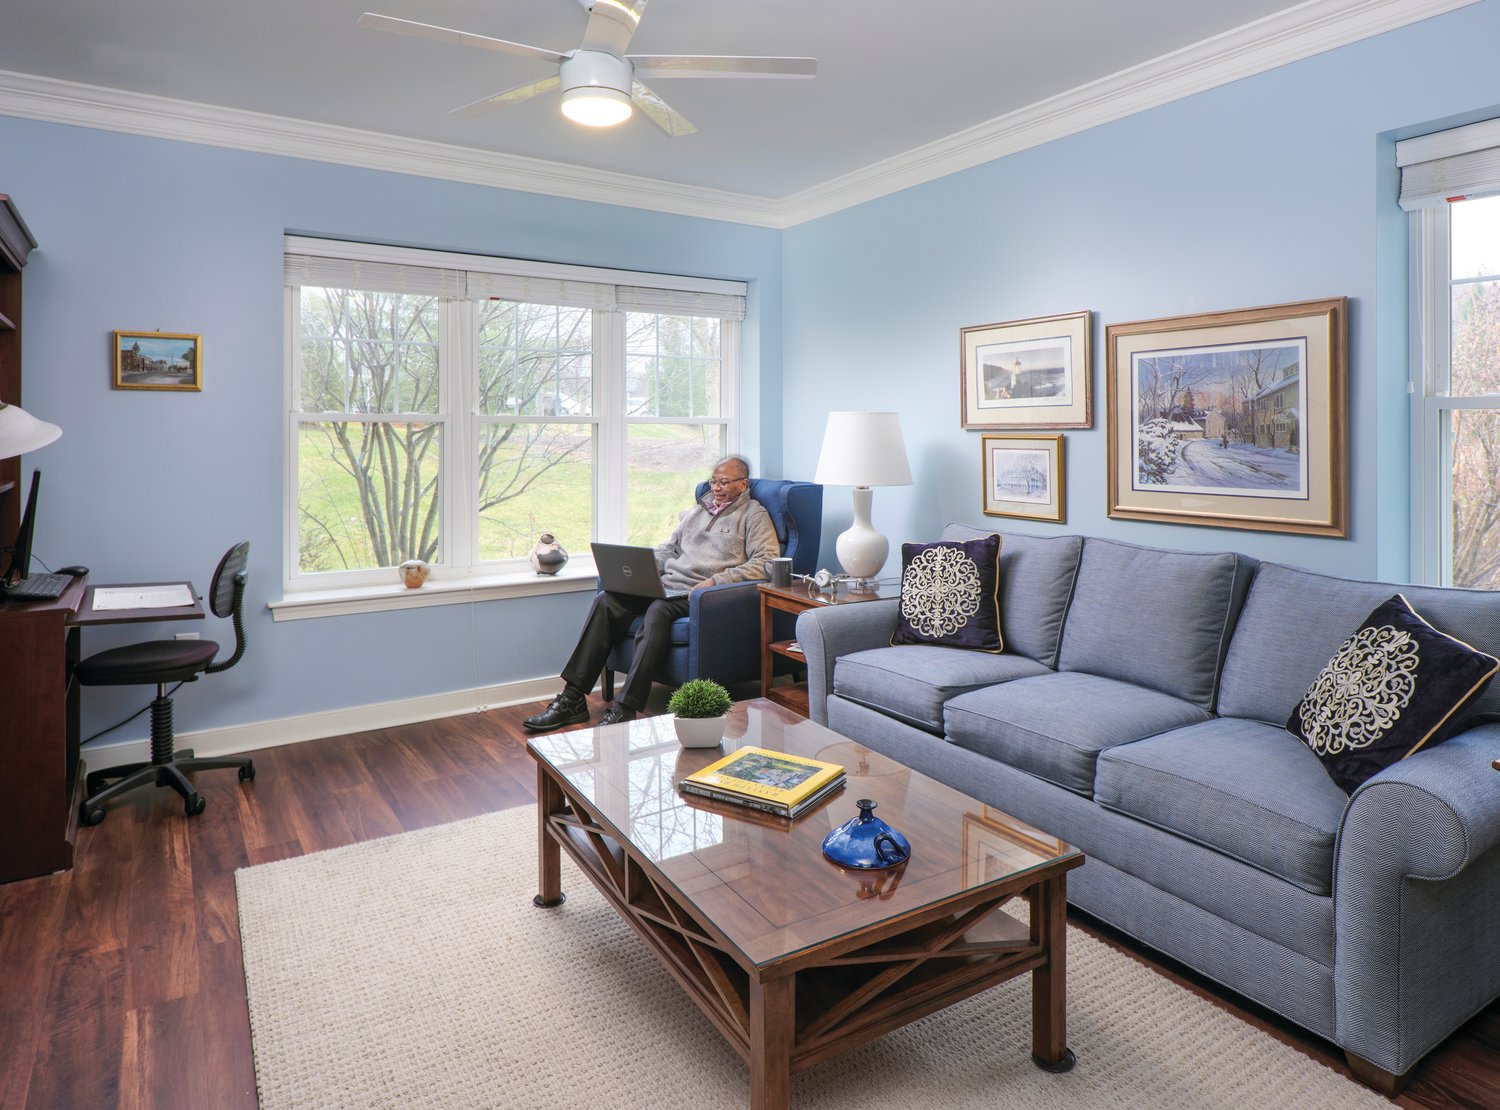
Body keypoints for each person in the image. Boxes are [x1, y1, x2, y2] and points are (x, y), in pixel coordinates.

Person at [523, 456, 782, 732]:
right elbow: (669, 548)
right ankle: (572, 699)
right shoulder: (699, 510)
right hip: (667, 584)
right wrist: (647, 568)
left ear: (743, 484)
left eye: (724, 482)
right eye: (713, 481)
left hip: (701, 595)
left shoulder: (754, 515)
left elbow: (767, 561)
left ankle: (625, 707)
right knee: (607, 600)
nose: (716, 488)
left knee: (658, 610)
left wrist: (717, 580)